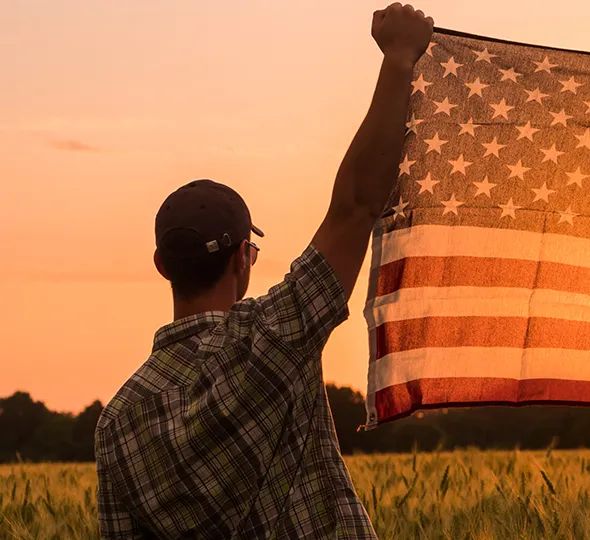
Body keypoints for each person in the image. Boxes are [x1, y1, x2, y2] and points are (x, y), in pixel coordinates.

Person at [94, 5, 433, 538]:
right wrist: (398, 58)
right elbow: (356, 207)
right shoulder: (274, 336)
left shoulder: (115, 423)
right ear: (242, 259)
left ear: (162, 266)